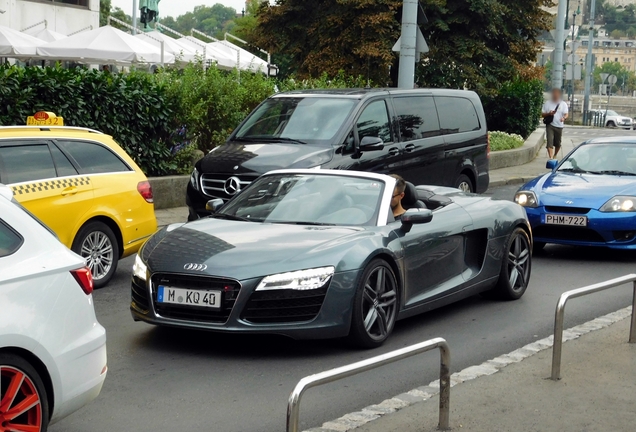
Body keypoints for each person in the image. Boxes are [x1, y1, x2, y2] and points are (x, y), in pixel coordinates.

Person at [542, 88, 569, 159]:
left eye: (556, 93)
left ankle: (555, 155)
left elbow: (566, 114)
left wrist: (564, 118)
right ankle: (551, 158)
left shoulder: (563, 104)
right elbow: (542, 114)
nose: (555, 95)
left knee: (558, 143)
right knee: (549, 142)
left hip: (559, 125)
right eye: (554, 93)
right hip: (550, 125)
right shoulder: (547, 103)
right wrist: (549, 113)